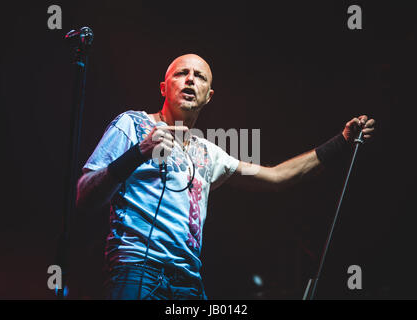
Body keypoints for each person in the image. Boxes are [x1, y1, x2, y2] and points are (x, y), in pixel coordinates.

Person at [76, 53, 375, 300]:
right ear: (164, 88)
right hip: (137, 271)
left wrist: (341, 143)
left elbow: (278, 176)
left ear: (209, 96)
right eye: (182, 73)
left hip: (188, 283)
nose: (191, 79)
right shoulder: (132, 125)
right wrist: (139, 152)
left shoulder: (209, 153)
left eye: (200, 76)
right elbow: (84, 195)